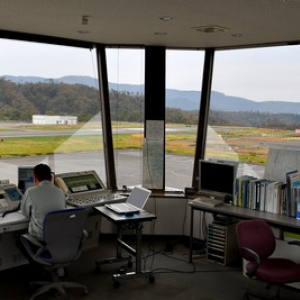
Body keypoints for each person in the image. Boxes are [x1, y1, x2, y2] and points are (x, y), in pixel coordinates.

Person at [21, 163, 66, 241]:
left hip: (41, 237)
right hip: (59, 235)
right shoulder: (60, 192)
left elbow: (25, 213)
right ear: (51, 178)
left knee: (19, 240)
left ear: (35, 178)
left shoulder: (30, 192)